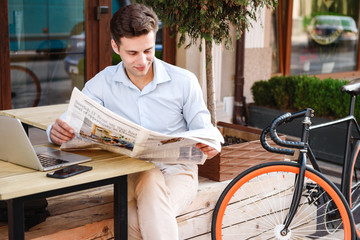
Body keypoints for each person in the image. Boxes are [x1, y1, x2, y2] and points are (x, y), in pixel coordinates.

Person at [47, 3, 222, 239]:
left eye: (148, 50)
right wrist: (54, 131)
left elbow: (204, 130)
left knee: (134, 220)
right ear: (115, 46)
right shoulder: (102, 83)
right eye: (132, 53)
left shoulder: (183, 81)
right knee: (147, 177)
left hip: (178, 172)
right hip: (129, 173)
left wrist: (210, 145)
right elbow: (70, 120)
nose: (142, 60)